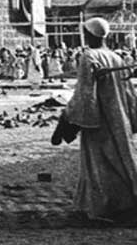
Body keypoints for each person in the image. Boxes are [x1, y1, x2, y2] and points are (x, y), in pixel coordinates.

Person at [53, 17, 137, 223]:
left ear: (88, 34)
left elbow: (84, 93)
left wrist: (68, 120)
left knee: (99, 163)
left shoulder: (88, 56)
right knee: (121, 157)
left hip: (98, 118)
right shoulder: (116, 58)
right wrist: (130, 116)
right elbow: (129, 92)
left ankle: (105, 207)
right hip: (119, 117)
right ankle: (125, 203)